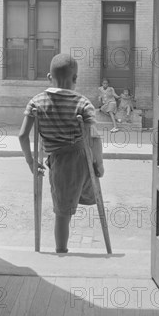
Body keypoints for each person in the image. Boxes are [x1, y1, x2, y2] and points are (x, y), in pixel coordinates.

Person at [18, 53, 104, 254]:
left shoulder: (37, 101)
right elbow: (95, 137)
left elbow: (22, 135)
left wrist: (31, 161)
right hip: (83, 160)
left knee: (62, 213)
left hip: (59, 162)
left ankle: (61, 250)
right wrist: (99, 163)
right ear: (75, 79)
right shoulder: (83, 103)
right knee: (84, 194)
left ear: (49, 76)